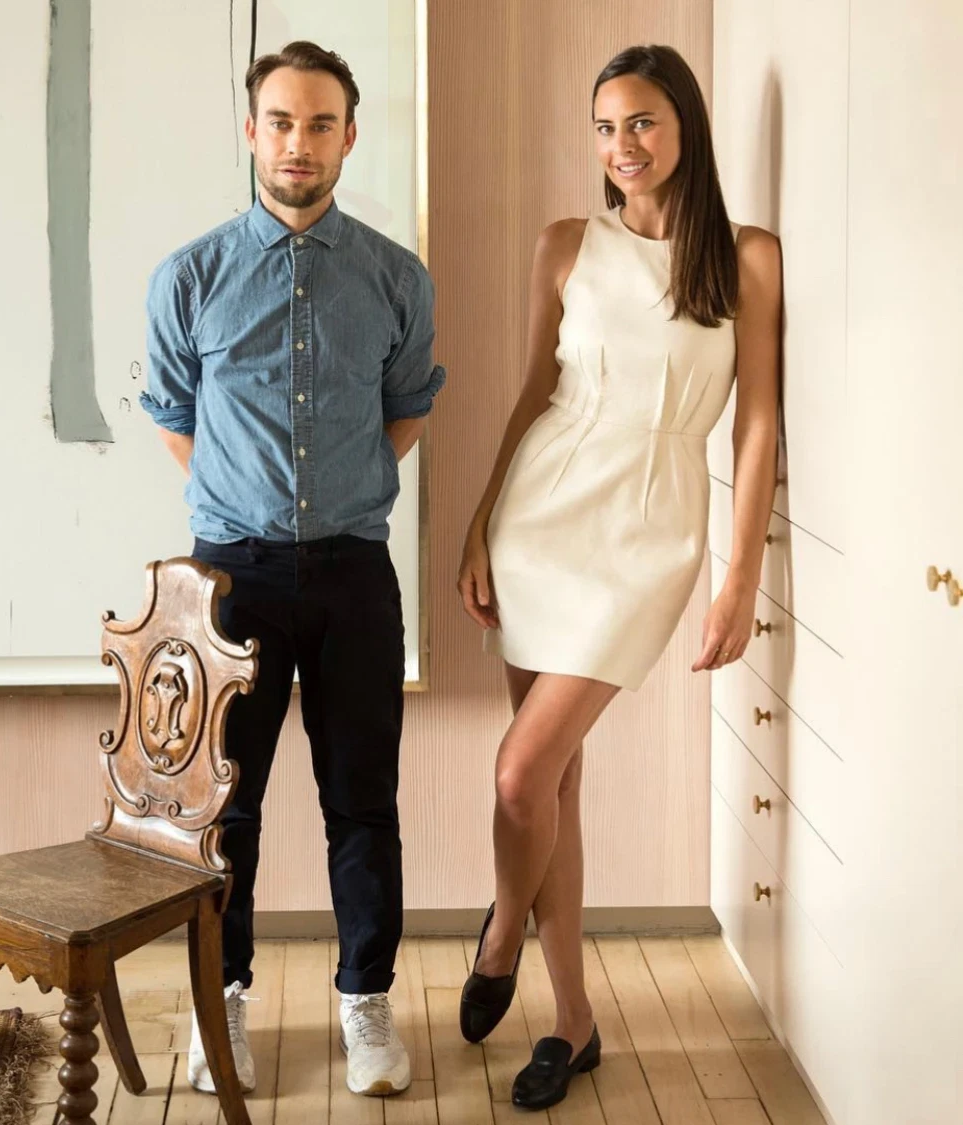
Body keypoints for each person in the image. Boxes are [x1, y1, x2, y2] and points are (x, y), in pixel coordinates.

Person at [455, 44, 781, 1111]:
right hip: (543, 515)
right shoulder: (565, 245)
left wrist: (736, 582)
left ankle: (500, 929)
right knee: (549, 784)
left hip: (651, 530)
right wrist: (478, 523)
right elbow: (529, 398)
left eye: (640, 122)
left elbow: (758, 426)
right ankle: (574, 1022)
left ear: (684, 125)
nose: (621, 147)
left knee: (519, 774)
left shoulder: (747, 259)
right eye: (604, 127)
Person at [140, 40, 445, 1099]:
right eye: (281, 121)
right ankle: (221, 1000)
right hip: (230, 580)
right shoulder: (191, 276)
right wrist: (253, 508)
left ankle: (366, 1005)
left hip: (356, 573)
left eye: (320, 124)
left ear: (349, 136)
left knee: (363, 804)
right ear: (252, 130)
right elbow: (177, 419)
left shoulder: (397, 278)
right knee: (226, 808)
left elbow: (407, 408)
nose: (299, 143)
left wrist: (334, 500)